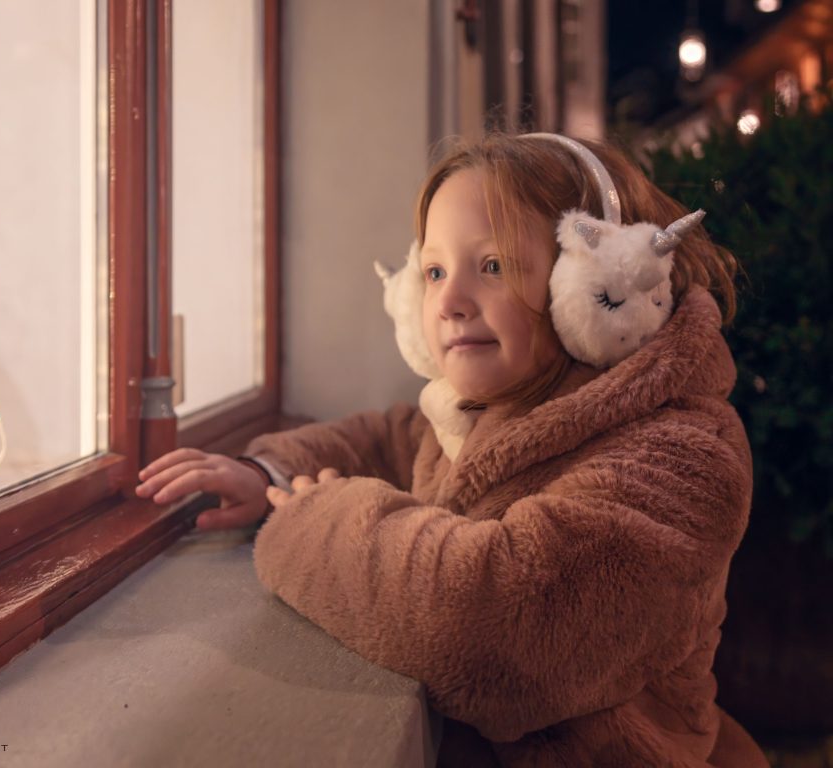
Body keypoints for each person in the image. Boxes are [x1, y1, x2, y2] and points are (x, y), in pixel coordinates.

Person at [135, 131, 770, 767]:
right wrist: (266, 472)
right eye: (434, 272)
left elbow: (494, 624)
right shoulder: (479, 414)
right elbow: (388, 438)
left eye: (491, 266)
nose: (447, 302)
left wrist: (313, 518)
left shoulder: (684, 452)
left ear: (596, 286)